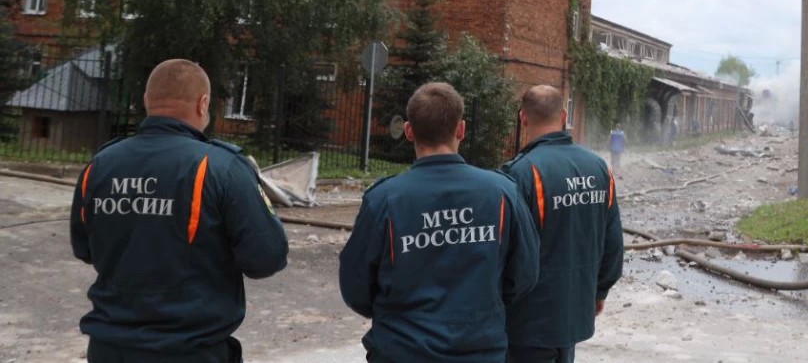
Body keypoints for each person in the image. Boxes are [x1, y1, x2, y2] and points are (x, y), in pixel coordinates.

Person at [70, 59, 289, 363]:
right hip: (189, 350)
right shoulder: (221, 168)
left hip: (109, 349)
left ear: (147, 101)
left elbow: (84, 248)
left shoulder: (100, 165)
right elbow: (267, 257)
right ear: (203, 105)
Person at [340, 82, 539, 362]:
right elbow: (524, 274)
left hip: (402, 350)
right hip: (479, 351)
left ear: (409, 131)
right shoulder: (502, 193)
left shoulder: (384, 200)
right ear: (461, 130)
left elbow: (356, 286)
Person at [502, 85, 624, 363]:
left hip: (528, 322)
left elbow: (508, 253)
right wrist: (599, 290)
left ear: (523, 118)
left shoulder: (521, 172)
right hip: (574, 313)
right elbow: (613, 241)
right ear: (564, 115)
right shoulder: (599, 167)